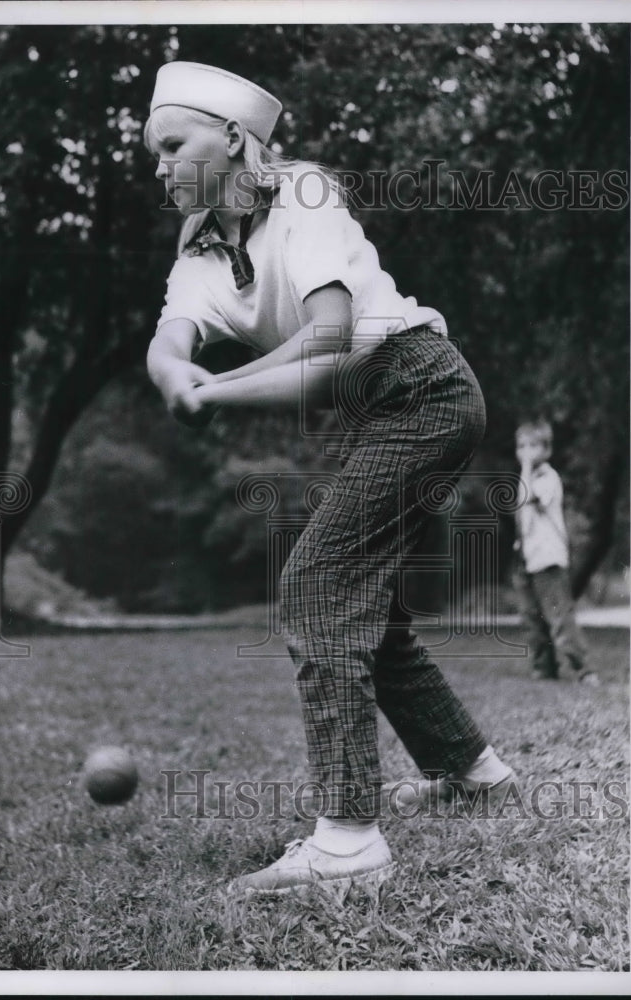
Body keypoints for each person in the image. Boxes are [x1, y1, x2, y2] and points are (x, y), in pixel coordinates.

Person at [144, 61, 516, 895]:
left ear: (235, 139)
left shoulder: (303, 192)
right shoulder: (203, 246)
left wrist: (216, 391)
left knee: (317, 587)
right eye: (153, 156)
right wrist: (175, 372)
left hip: (421, 386)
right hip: (387, 410)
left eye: (173, 146)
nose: (160, 168)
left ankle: (348, 845)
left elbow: (323, 346)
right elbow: (172, 334)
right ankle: (474, 775)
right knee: (365, 611)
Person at [513, 419, 597, 685]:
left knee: (559, 618)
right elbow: (522, 516)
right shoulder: (525, 478)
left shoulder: (548, 477)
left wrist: (526, 467)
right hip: (529, 557)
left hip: (548, 557)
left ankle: (584, 670)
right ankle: (544, 669)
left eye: (533, 446)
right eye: (521, 446)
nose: (526, 451)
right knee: (531, 618)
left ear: (546, 450)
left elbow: (528, 499)